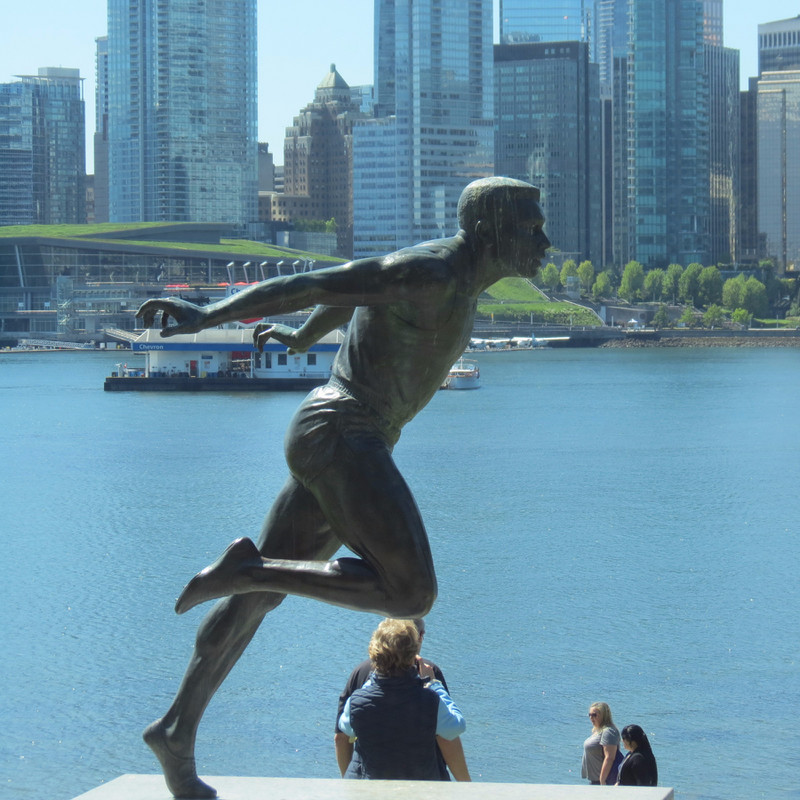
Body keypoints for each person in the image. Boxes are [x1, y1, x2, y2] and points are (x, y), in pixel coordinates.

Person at [136, 176, 550, 798]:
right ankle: (250, 568)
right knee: (411, 590)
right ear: (493, 230)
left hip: (348, 439)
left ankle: (175, 732)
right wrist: (205, 315)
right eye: (531, 226)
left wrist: (303, 338)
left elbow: (357, 294)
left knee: (251, 610)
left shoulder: (456, 282)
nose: (545, 239)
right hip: (340, 432)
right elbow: (313, 284)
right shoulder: (432, 273)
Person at [334, 618, 470, 781]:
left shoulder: (356, 701)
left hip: (369, 788)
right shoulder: (430, 700)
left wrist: (373, 678)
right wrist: (434, 684)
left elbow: (344, 731)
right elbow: (455, 728)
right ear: (413, 654)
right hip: (419, 785)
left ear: (374, 652)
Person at [581, 702, 621, 785]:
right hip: (595, 780)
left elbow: (609, 757)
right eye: (590, 715)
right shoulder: (598, 731)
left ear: (604, 715)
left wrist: (602, 780)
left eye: (594, 715)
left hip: (604, 781)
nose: (591, 717)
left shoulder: (609, 732)